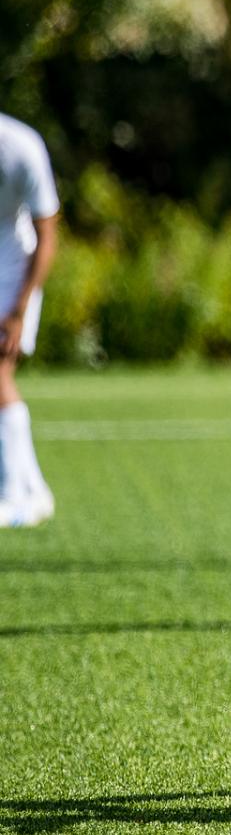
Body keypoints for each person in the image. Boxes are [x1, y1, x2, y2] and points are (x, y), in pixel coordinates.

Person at [0, 113, 59, 529]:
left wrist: (19, 310)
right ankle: (34, 490)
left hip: (14, 267)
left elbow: (48, 235)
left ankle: (10, 494)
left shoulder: (23, 147)